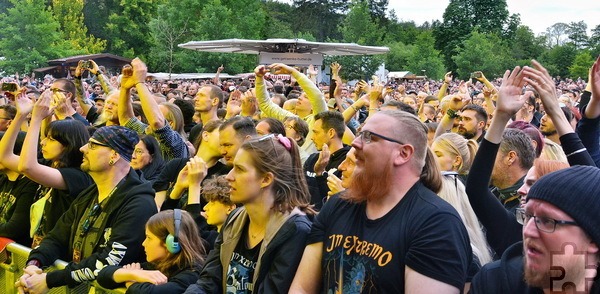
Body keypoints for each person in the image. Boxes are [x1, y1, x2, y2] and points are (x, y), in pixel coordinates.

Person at [290, 110, 472, 293]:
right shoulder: (338, 204)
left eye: (369, 137)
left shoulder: (437, 223)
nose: (354, 142)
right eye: (360, 134)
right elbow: (302, 288)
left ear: (403, 153)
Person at [16, 126, 158, 293]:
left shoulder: (139, 204)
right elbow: (56, 238)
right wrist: (34, 265)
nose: (82, 148)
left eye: (92, 145)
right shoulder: (89, 194)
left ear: (114, 155)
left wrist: (49, 280)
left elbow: (107, 262)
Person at [184, 134, 314, 293]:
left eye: (239, 169)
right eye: (232, 167)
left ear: (266, 179)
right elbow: (209, 280)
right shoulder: (235, 218)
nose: (229, 176)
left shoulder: (295, 231)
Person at [470, 165, 600, 293]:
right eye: (527, 216)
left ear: (592, 240)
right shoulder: (493, 283)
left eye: (547, 221)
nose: (528, 231)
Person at [0, 91, 93, 247]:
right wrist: (20, 116)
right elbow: (4, 156)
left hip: (58, 254)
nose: (42, 143)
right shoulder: (51, 165)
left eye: (51, 139)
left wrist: (36, 119)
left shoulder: (78, 175)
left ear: (68, 143)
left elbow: (27, 167)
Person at [97, 209, 206, 293]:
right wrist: (133, 274)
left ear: (172, 243)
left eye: (149, 238)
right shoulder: (160, 264)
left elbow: (147, 292)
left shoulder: (192, 274)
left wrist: (130, 282)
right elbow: (103, 275)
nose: (143, 243)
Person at [304, 111, 350, 210]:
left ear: (331, 133)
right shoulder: (312, 159)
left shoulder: (348, 163)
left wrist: (320, 174)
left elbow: (333, 200)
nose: (312, 138)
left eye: (316, 132)